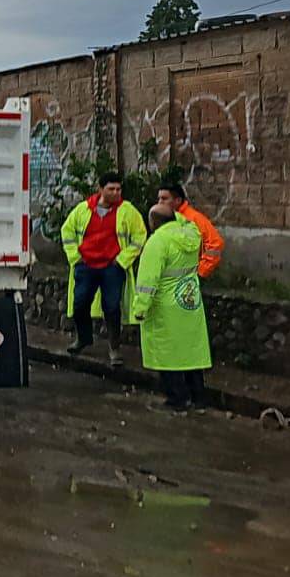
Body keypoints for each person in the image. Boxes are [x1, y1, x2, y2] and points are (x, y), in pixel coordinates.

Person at [60, 172, 146, 366]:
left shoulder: (127, 211)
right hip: (86, 265)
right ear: (100, 189)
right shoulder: (83, 210)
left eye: (118, 189)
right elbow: (67, 231)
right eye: (111, 189)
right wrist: (76, 257)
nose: (116, 193)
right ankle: (83, 338)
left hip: (111, 267)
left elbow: (140, 236)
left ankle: (114, 348)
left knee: (112, 307)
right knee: (80, 303)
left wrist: (122, 260)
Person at [132, 203, 212, 410]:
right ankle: (198, 398)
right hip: (189, 300)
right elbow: (187, 221)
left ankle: (177, 399)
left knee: (167, 354)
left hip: (165, 305)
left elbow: (147, 281)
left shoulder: (157, 242)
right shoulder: (192, 235)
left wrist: (140, 308)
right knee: (191, 352)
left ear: (153, 222)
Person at [157, 183, 224, 279]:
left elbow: (215, 244)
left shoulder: (194, 218)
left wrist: (200, 272)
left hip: (188, 279)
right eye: (159, 198)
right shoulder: (164, 218)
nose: (160, 202)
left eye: (164, 199)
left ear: (178, 200)